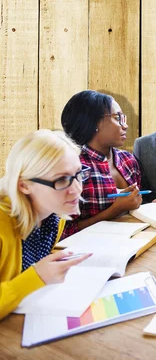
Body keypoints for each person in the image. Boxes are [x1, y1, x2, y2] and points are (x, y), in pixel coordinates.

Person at [0, 130, 93, 320]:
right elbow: (30, 277)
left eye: (78, 174)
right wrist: (36, 277)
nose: (76, 189)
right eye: (61, 180)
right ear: (24, 185)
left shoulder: (53, 216)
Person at [61, 90, 142, 237]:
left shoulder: (128, 160)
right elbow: (62, 232)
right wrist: (113, 211)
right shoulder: (74, 168)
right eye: (118, 118)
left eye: (123, 118)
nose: (125, 125)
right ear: (93, 122)